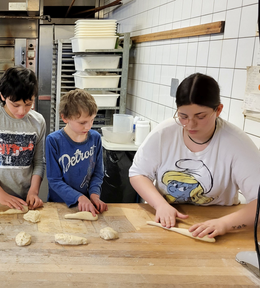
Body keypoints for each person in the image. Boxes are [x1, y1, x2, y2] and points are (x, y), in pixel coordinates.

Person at [129, 73, 260, 239]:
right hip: (166, 222)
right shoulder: (164, 134)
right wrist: (160, 204)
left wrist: (225, 224)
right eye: (183, 116)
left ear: (218, 110)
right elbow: (138, 173)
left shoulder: (237, 143)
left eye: (200, 116)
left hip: (220, 223)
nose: (190, 124)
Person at [0, 66, 45, 210]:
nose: (22, 111)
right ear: (2, 96)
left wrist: (34, 191)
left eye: (28, 104)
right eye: (15, 104)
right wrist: (1, 194)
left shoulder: (38, 121)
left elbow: (39, 162)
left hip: (25, 200)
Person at [46, 89, 107, 216]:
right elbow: (54, 180)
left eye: (92, 120)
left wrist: (95, 195)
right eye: (82, 122)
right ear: (65, 117)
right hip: (59, 204)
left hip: (87, 205)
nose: (89, 126)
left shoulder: (95, 138)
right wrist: (79, 197)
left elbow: (98, 173)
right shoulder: (53, 141)